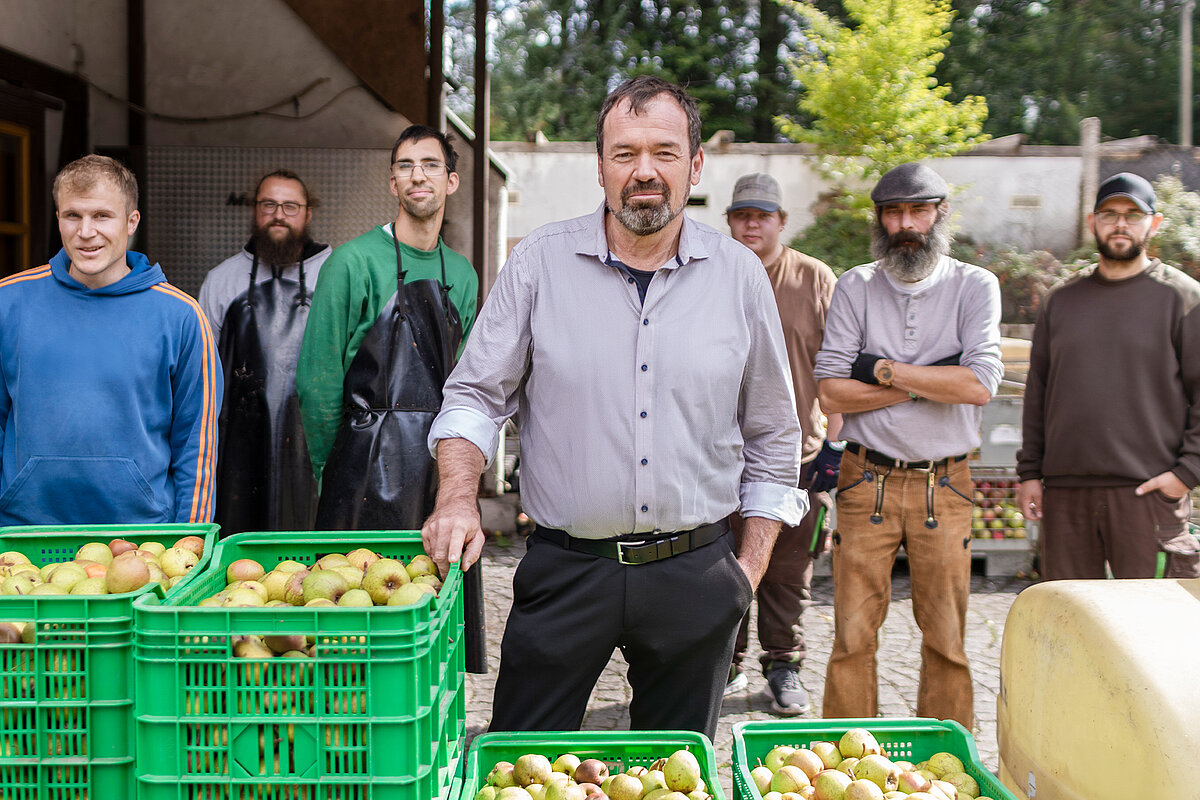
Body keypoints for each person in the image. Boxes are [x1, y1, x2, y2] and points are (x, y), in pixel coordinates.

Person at [420, 76, 806, 740]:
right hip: (568, 569)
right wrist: (456, 496)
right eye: (625, 154)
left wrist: (747, 572)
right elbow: (475, 395)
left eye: (664, 151)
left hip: (697, 571)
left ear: (695, 164)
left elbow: (774, 435)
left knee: (668, 776)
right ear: (600, 166)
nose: (645, 171)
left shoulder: (739, 276)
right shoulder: (540, 263)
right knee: (521, 764)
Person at [813, 162, 1002, 729]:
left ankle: (947, 767)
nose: (905, 224)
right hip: (864, 480)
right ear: (879, 219)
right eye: (893, 212)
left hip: (944, 485)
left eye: (918, 210)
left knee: (946, 637)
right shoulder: (856, 285)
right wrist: (927, 380)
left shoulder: (975, 286)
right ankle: (844, 769)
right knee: (850, 635)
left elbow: (978, 385)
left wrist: (882, 371)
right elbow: (829, 391)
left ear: (940, 213)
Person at [0, 154, 220, 525]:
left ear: (131, 221)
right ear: (58, 219)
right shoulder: (9, 302)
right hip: (22, 534)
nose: (86, 232)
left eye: (102, 216)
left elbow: (197, 443)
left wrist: (191, 539)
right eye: (73, 215)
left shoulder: (181, 316)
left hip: (142, 540)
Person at [1016, 173, 1200, 579]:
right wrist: (1030, 472)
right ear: (1091, 221)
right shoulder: (1061, 300)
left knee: (1150, 626)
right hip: (1066, 496)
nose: (1120, 224)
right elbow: (1038, 391)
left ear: (1155, 223)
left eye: (1133, 215)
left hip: (1147, 493)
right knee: (1071, 624)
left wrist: (1186, 474)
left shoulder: (1183, 298)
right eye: (1110, 214)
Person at [298, 125, 478, 530]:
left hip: (435, 473)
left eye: (431, 165)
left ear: (451, 181)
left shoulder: (464, 275)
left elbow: (466, 388)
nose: (418, 175)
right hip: (358, 470)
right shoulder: (350, 263)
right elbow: (318, 381)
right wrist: (335, 472)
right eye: (405, 166)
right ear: (393, 184)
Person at [723, 173, 842, 715]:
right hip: (722, 457)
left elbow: (836, 369)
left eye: (762, 215)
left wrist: (834, 451)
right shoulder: (712, 273)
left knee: (789, 572)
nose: (751, 223)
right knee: (722, 565)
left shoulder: (814, 279)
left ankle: (783, 665)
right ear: (729, 220)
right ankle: (726, 662)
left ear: (781, 221)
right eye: (742, 214)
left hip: (798, 457)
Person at [199, 170, 332, 534]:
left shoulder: (335, 276)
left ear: (308, 214)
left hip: (315, 444)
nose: (279, 214)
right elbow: (205, 372)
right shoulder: (221, 280)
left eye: (290, 206)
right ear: (255, 211)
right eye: (268, 204)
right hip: (240, 448)